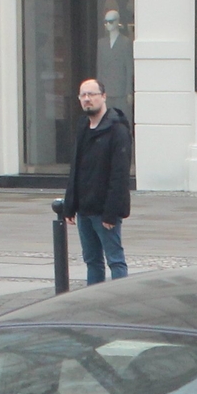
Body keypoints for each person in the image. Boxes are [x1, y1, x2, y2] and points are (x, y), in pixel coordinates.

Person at [60, 76, 132, 285]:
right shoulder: (83, 127)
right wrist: (70, 205)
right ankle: (94, 301)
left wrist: (111, 212)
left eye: (91, 94)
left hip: (104, 211)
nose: (87, 99)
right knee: (92, 261)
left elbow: (119, 175)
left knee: (115, 260)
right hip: (84, 209)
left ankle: (120, 298)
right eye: (83, 95)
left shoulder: (117, 130)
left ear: (103, 96)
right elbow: (77, 169)